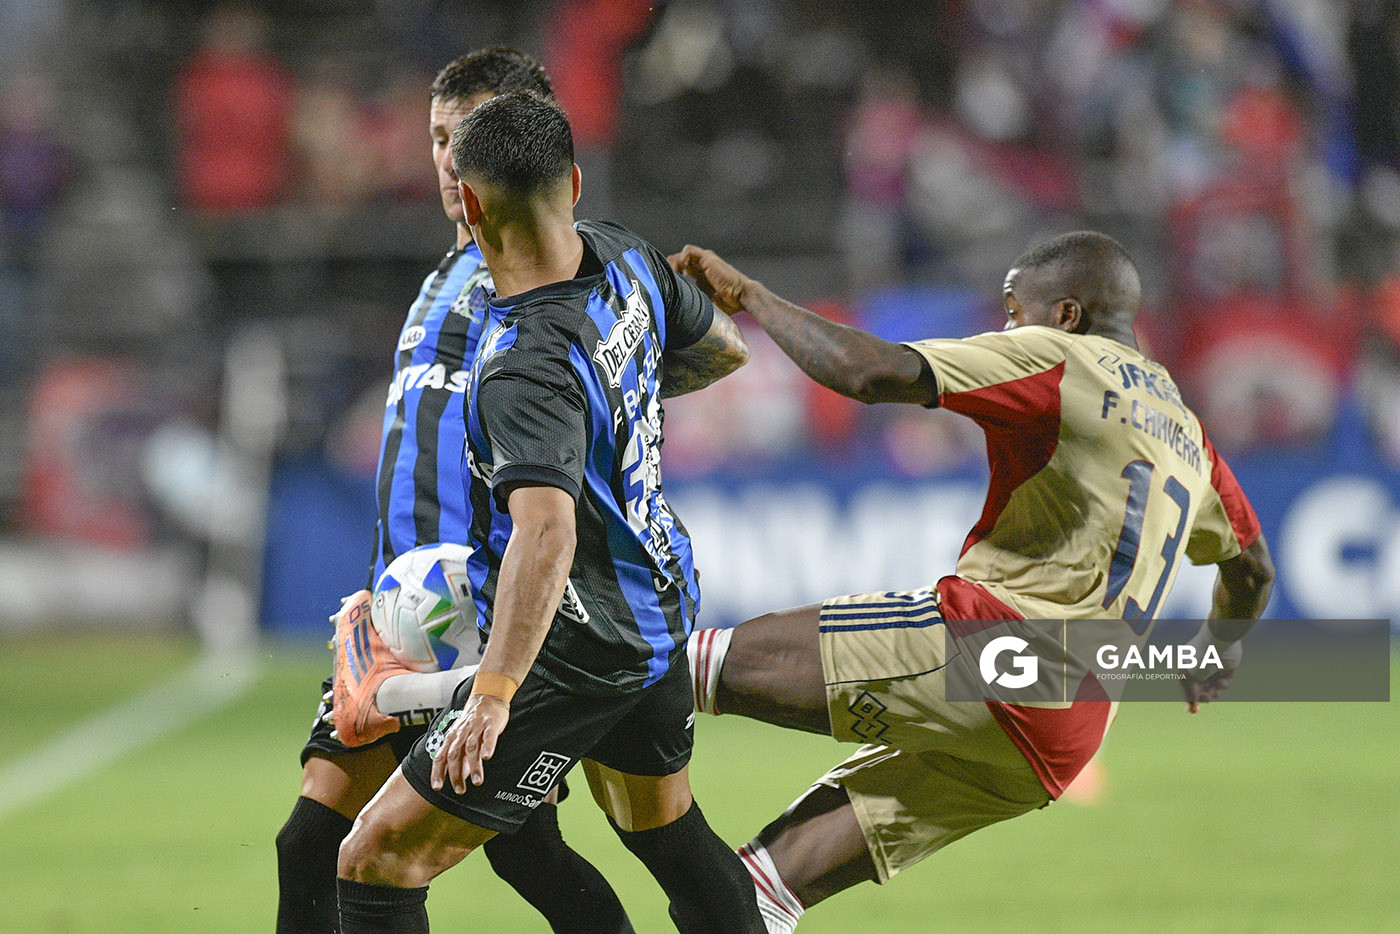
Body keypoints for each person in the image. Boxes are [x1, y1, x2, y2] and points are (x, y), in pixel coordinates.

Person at [675, 232, 1276, 932]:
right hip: (1068, 733)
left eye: (1015, 309)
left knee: (681, 665)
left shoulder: (1058, 358)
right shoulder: (1185, 429)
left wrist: (750, 297)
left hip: (1001, 650)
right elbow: (1253, 569)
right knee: (758, 897)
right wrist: (1215, 648)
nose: (1006, 327)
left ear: (1068, 314)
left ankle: (521, 773)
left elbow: (870, 373)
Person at [334, 91, 765, 934]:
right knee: (666, 830)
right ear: (573, 182)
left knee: (377, 859)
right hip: (657, 603)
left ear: (468, 204)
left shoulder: (524, 366)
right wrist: (610, 397)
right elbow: (727, 349)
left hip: (576, 647)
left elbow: (546, 531)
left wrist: (492, 695)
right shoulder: (629, 257)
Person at [275, 49, 634, 934]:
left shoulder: (541, 288)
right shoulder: (447, 273)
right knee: (311, 842)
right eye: (436, 137)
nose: (446, 157)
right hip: (402, 611)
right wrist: (380, 590)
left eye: (465, 137)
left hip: (468, 620)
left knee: (518, 852)